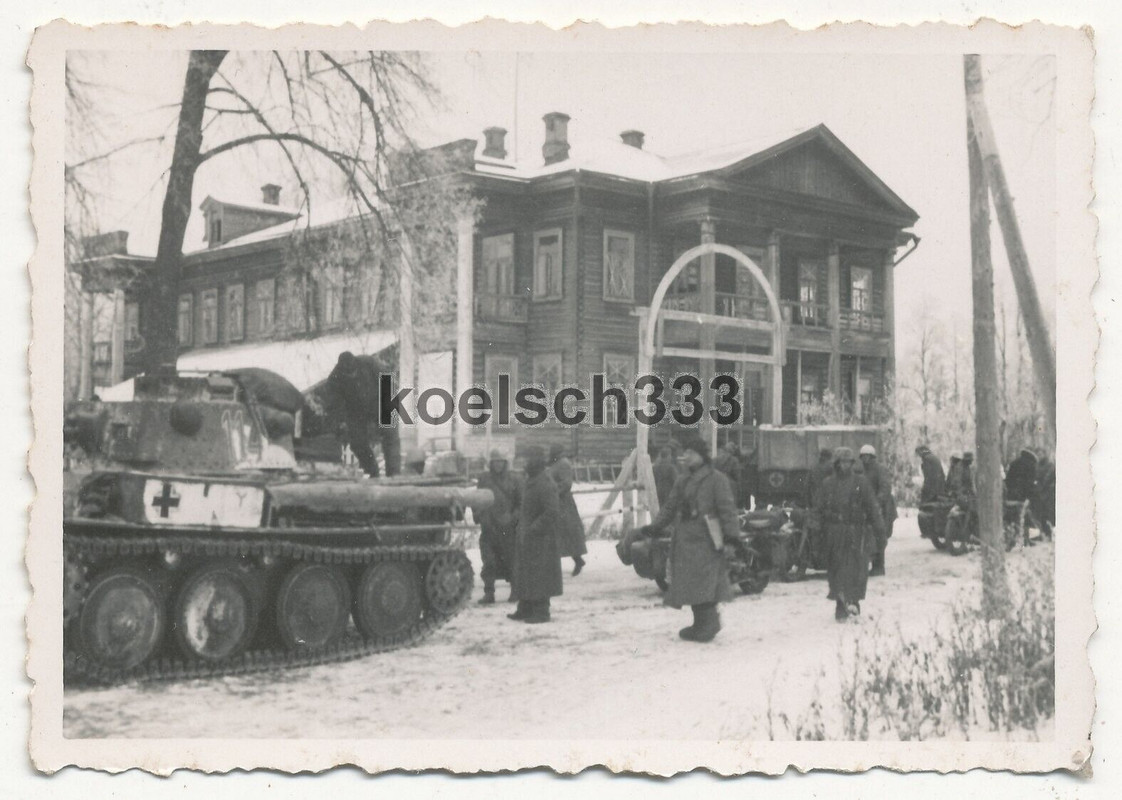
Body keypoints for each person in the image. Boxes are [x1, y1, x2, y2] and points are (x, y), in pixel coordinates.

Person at [642, 434, 738, 643]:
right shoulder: (683, 479)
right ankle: (700, 625)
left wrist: (731, 539)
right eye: (685, 453)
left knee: (704, 583)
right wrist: (656, 526)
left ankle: (709, 624)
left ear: (702, 456)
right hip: (685, 540)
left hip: (707, 541)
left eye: (691, 453)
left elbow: (728, 510)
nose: (687, 457)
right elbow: (670, 506)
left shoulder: (716, 479)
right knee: (690, 584)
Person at [813, 447, 885, 621]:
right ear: (836, 463)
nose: (845, 466)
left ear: (852, 464)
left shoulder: (861, 482)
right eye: (841, 462)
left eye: (848, 462)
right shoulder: (828, 484)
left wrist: (880, 532)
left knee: (857, 570)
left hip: (857, 532)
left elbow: (873, 508)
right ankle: (840, 603)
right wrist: (818, 533)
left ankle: (854, 602)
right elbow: (819, 510)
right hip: (835, 533)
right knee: (836, 570)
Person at [324, 351, 401, 477]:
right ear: (342, 371)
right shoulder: (334, 379)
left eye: (353, 372)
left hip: (379, 402)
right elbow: (334, 405)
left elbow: (387, 380)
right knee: (357, 442)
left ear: (356, 364)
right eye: (348, 374)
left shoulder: (369, 363)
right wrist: (342, 422)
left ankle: (394, 473)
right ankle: (372, 472)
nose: (352, 375)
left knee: (390, 434)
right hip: (355, 411)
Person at [509, 445, 563, 624]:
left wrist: (533, 529)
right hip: (529, 537)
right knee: (527, 573)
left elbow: (552, 512)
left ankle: (541, 611)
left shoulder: (545, 482)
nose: (525, 463)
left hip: (542, 538)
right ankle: (525, 607)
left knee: (541, 575)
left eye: (528, 460)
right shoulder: (532, 480)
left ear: (537, 462)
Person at [476, 449, 522, 604]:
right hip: (489, 527)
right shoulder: (484, 479)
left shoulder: (514, 479)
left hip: (508, 528)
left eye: (501, 462)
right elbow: (478, 500)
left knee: (512, 561)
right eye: (495, 461)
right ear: (491, 463)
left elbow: (521, 504)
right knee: (488, 562)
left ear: (505, 463)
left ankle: (515, 591)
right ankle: (489, 593)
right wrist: (482, 518)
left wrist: (512, 518)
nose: (498, 465)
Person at [548, 443, 588, 576]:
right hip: (556, 503)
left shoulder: (563, 463)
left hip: (563, 504)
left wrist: (553, 492)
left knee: (566, 533)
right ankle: (576, 560)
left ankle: (577, 560)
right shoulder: (556, 463)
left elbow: (566, 484)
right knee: (559, 535)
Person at [858, 444, 897, 577]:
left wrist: (876, 503)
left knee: (880, 535)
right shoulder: (864, 470)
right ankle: (873, 563)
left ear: (872, 456)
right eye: (863, 457)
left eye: (867, 456)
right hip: (871, 507)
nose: (865, 459)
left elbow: (885, 488)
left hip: (884, 508)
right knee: (871, 535)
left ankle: (879, 567)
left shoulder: (880, 469)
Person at [713, 440, 745, 508]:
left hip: (717, 485)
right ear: (733, 451)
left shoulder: (715, 459)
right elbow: (737, 476)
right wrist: (740, 489)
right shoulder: (734, 460)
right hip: (730, 485)